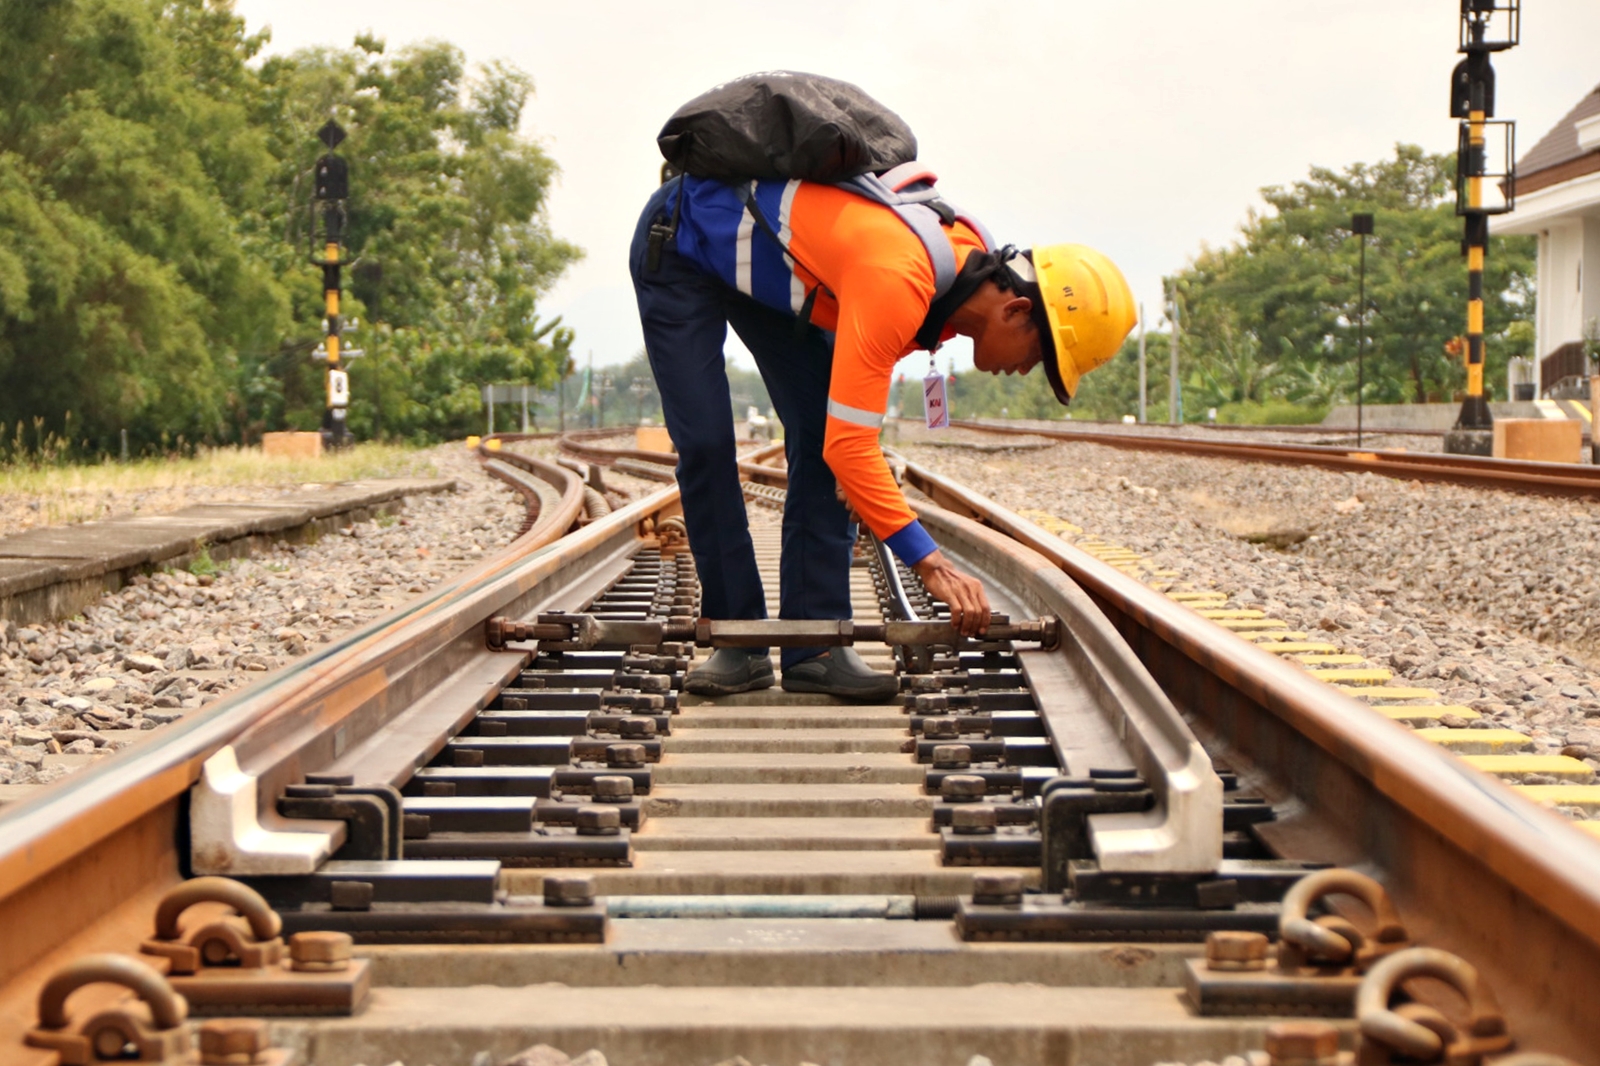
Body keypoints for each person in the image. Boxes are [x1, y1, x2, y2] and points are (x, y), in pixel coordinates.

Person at [629, 171, 1135, 700]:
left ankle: (816, 646)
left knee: (826, 436)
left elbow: (848, 433)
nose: (1030, 369)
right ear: (1016, 309)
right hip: (684, 238)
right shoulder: (902, 276)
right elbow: (850, 446)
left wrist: (860, 473)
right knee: (708, 445)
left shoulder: (964, 262)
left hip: (776, 263)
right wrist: (931, 563)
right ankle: (737, 640)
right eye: (1040, 357)